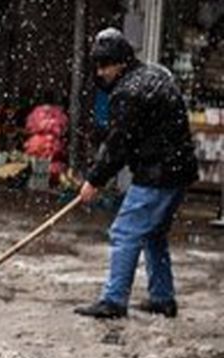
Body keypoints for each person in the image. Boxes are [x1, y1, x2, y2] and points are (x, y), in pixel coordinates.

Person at [74, 28, 199, 319]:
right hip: (178, 171)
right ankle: (162, 298)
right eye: (98, 65)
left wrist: (94, 179)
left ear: (121, 62)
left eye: (105, 65)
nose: (100, 72)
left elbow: (119, 142)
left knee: (125, 231)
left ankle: (114, 300)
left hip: (158, 172)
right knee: (154, 233)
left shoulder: (129, 91)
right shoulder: (155, 74)